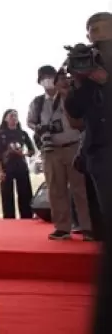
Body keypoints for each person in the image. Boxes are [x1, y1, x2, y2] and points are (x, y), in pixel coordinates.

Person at [35, 71, 93, 240]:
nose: (48, 81)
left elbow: (81, 118)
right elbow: (31, 121)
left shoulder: (72, 97)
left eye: (52, 78)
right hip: (51, 150)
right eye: (44, 78)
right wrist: (42, 129)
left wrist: (66, 94)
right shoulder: (38, 103)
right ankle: (62, 227)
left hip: (74, 146)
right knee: (56, 189)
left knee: (80, 188)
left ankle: (87, 227)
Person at [67, 13, 112, 225]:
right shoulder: (85, 65)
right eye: (93, 33)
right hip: (100, 152)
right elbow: (75, 113)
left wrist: (107, 80)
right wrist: (77, 82)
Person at [0, 109, 36, 220]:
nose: (14, 118)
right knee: (7, 195)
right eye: (11, 116)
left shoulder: (22, 133)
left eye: (16, 116)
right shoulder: (0, 134)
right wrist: (0, 170)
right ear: (5, 118)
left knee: (25, 193)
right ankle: (9, 218)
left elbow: (32, 151)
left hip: (21, 165)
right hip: (7, 166)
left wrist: (23, 153)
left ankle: (27, 216)